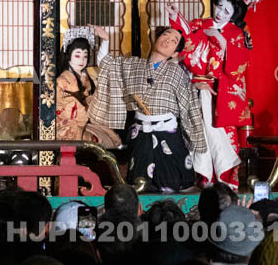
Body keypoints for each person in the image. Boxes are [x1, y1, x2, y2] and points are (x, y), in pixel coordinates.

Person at [166, 0, 261, 189]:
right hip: (194, 88)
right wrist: (175, 16)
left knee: (220, 138)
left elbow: (240, 65)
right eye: (219, 6)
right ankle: (202, 178)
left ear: (234, 14)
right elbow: (186, 34)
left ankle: (225, 180)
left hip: (219, 92)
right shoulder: (203, 24)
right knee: (196, 135)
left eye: (226, 11)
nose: (220, 13)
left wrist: (222, 41)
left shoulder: (237, 34)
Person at [88, 25, 207, 192]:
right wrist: (106, 40)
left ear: (175, 53)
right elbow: (108, 65)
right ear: (156, 38)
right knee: (140, 183)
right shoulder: (133, 65)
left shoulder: (177, 73)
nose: (167, 40)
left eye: (174, 41)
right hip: (141, 133)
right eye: (165, 35)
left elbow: (188, 106)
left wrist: (196, 139)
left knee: (174, 182)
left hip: (168, 132)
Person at [56, 25, 121, 148]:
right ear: (68, 55)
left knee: (108, 141)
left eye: (85, 56)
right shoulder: (61, 81)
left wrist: (106, 40)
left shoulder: (88, 77)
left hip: (87, 124)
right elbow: (64, 110)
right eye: (77, 55)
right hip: (68, 127)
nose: (82, 60)